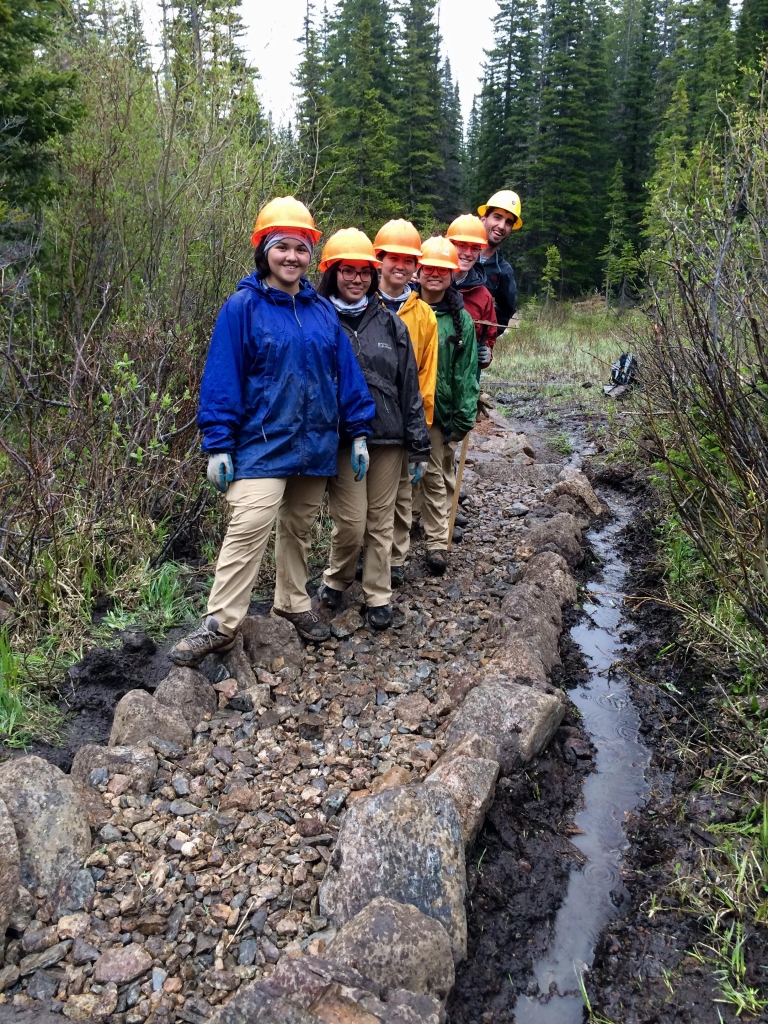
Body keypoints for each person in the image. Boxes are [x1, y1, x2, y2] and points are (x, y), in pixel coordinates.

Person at [169, 197, 375, 663]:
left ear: (311, 256)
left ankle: (292, 603)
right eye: (282, 247)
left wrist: (359, 432)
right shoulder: (242, 307)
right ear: (264, 250)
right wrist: (218, 443)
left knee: (298, 528)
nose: (292, 257)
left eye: (301, 249)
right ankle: (221, 623)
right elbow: (222, 376)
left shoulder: (322, 311)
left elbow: (345, 374)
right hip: (261, 444)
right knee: (249, 525)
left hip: (316, 442)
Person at [316, 228, 430, 628]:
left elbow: (409, 388)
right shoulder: (316, 318)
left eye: (364, 271)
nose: (356, 279)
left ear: (373, 273)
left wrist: (419, 446)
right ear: (333, 273)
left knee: (381, 520)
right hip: (342, 439)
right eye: (348, 271)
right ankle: (338, 577)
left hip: (390, 438)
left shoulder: (391, 324)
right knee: (351, 522)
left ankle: (378, 594)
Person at [373, 219, 438, 588]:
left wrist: (421, 429)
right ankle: (361, 557)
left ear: (416, 265)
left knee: (400, 498)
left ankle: (393, 560)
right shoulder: (362, 304)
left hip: (404, 421)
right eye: (392, 258)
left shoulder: (424, 314)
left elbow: (426, 376)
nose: (400, 266)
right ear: (378, 260)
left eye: (408, 259)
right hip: (367, 421)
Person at [414, 237, 479, 577]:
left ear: (453, 273)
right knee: (404, 478)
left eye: (442, 269)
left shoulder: (461, 321)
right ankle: (400, 537)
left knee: (435, 477)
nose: (434, 274)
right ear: (418, 270)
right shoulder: (404, 310)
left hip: (440, 415)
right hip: (407, 411)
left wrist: (463, 418)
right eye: (429, 268)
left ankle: (437, 543)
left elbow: (467, 374)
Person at [446, 214, 498, 372]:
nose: (468, 253)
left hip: (464, 376)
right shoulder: (428, 284)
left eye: (475, 248)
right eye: (462, 245)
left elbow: (489, 336)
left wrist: (486, 352)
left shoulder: (483, 296)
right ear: (449, 245)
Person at [478, 189, 522, 328]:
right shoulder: (455, 254)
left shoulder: (503, 271)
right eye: (497, 217)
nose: (502, 226)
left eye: (508, 222)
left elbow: (505, 312)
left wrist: (485, 340)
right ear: (483, 219)